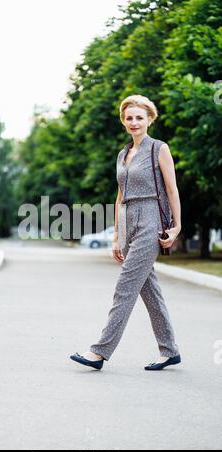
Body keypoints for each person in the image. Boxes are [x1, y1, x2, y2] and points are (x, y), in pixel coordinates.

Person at [70, 95, 181, 371]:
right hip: (128, 219)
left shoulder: (159, 149)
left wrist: (177, 225)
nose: (134, 122)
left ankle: (99, 352)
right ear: (124, 121)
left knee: (125, 287)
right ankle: (170, 351)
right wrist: (118, 234)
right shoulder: (123, 154)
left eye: (139, 118)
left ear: (149, 120)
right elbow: (120, 197)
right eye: (129, 118)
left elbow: (171, 189)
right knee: (149, 290)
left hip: (151, 219)